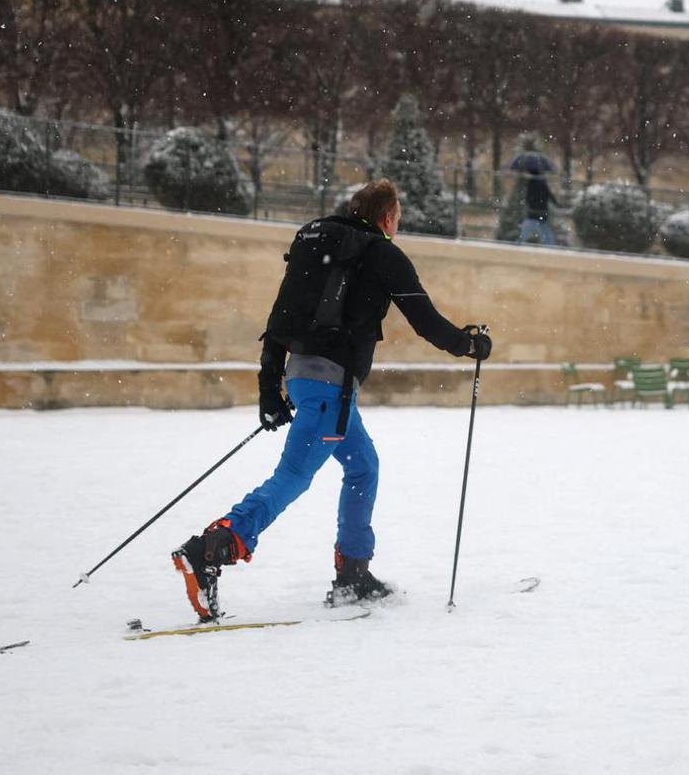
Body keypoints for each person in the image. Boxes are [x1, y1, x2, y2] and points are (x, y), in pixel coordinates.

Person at [172, 178, 492, 622]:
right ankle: (210, 548)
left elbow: (279, 318)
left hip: (309, 380)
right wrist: (468, 345)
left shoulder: (316, 242)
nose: (398, 225)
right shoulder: (381, 252)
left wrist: (270, 388)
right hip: (330, 390)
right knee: (293, 477)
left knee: (363, 465)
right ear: (386, 217)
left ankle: (353, 575)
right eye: (397, 218)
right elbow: (424, 318)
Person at [518, 173, 559, 245]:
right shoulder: (544, 185)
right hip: (542, 212)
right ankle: (551, 246)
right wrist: (556, 204)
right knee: (547, 234)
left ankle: (518, 244)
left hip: (532, 213)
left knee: (525, 231)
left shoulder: (530, 185)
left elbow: (527, 199)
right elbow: (551, 196)